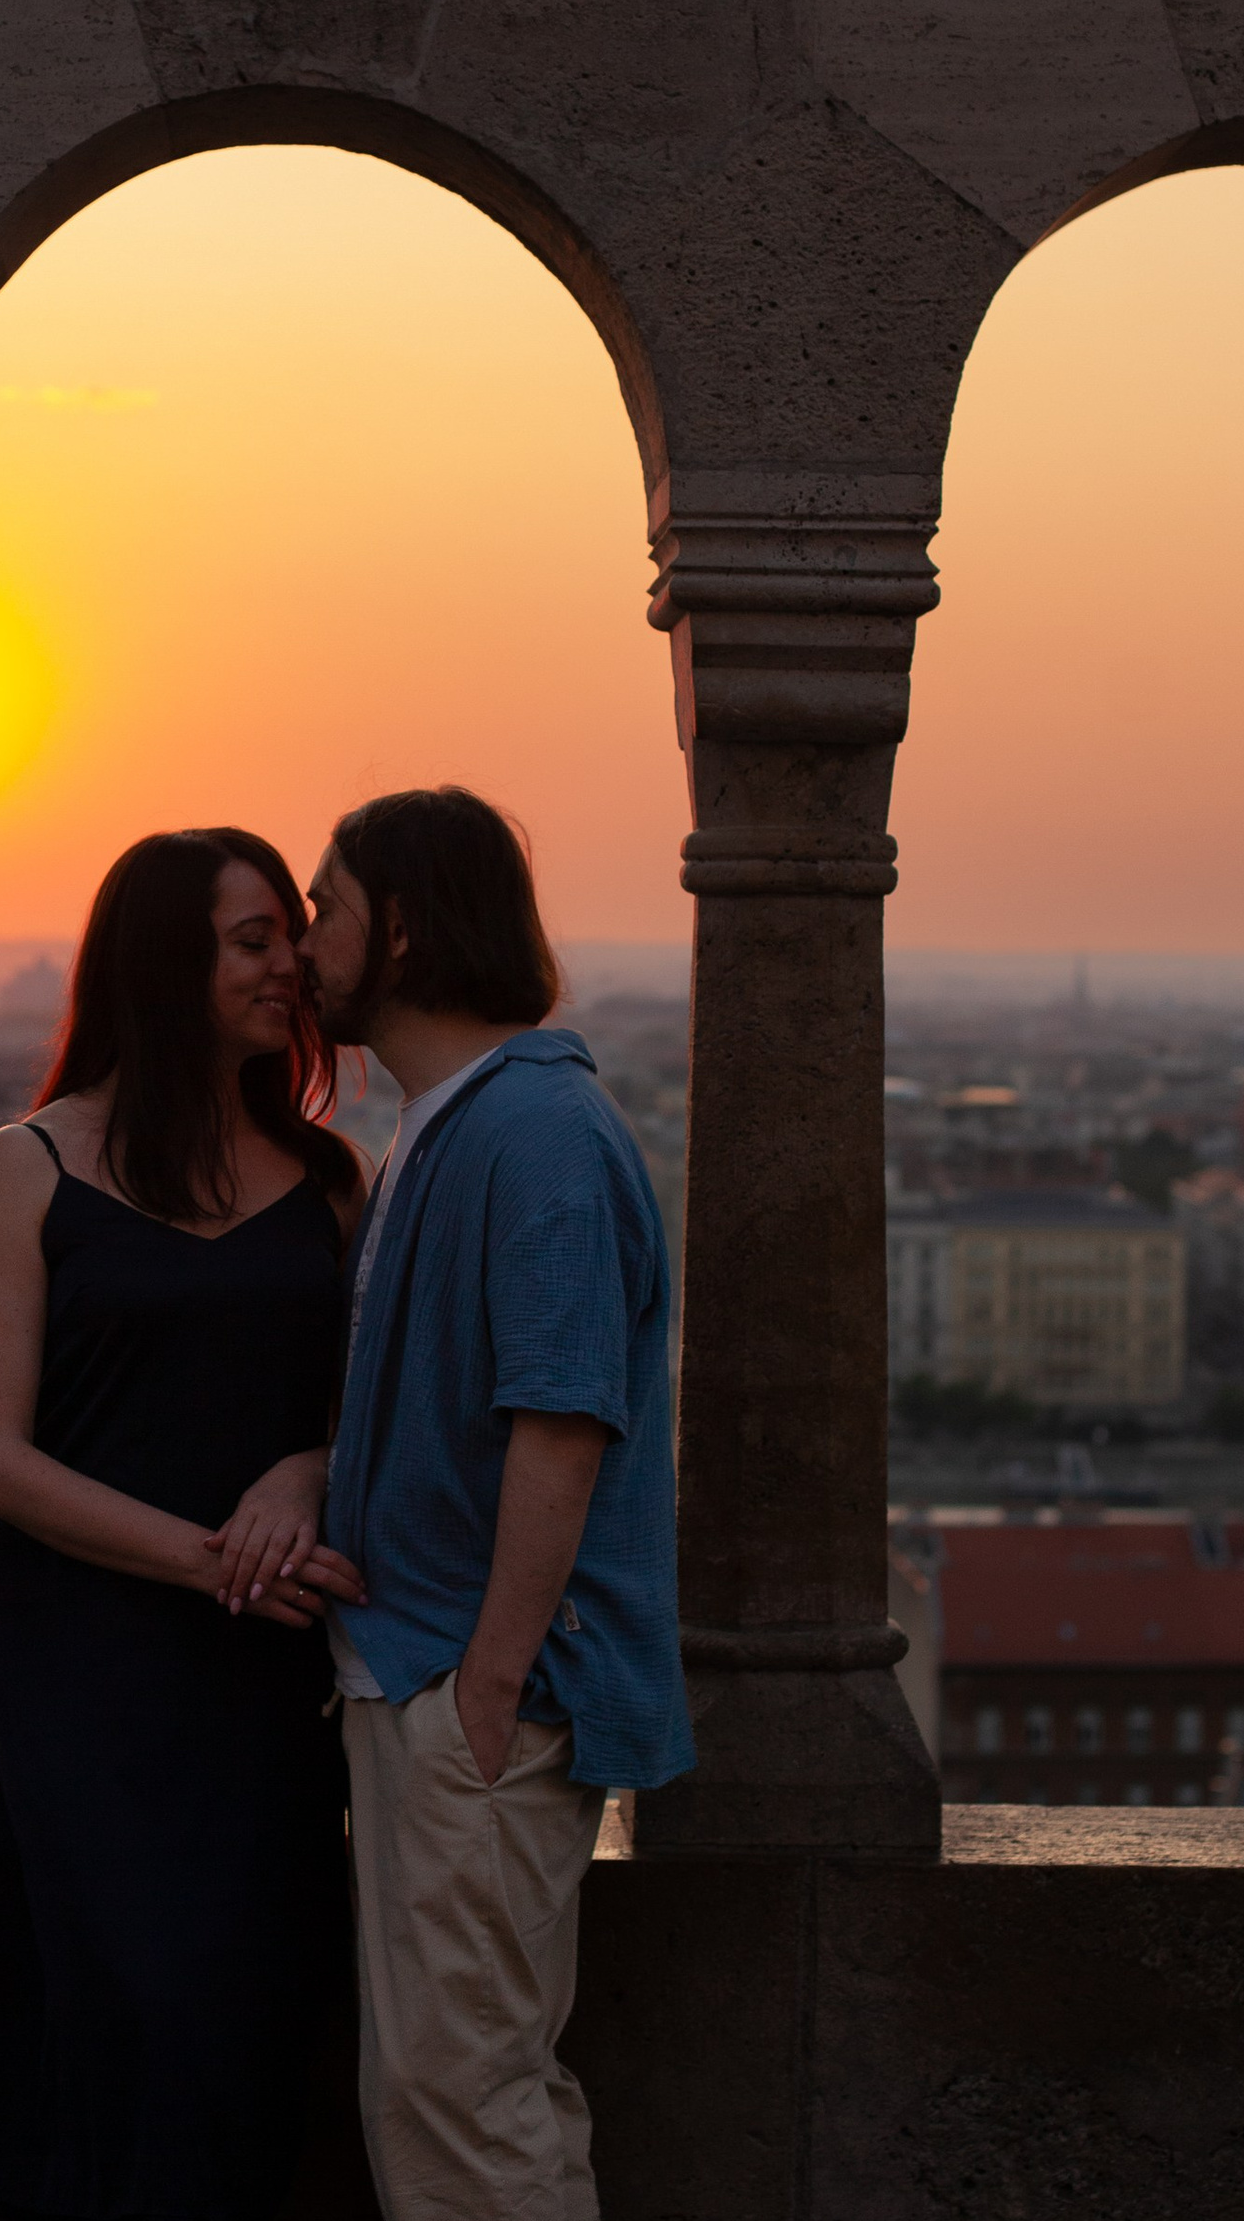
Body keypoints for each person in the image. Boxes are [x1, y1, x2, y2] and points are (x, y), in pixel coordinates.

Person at [0, 828, 371, 2221]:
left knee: (249, 2033)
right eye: (253, 942)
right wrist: (206, 1559)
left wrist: (306, 1469)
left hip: (272, 1686)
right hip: (95, 1675)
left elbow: (374, 1415)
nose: (290, 966)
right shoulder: (32, 1165)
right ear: (165, 964)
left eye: (291, 937)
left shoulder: (331, 1182)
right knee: (124, 2019)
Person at [301, 787, 692, 2221]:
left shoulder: (532, 1132)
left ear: (398, 929)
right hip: (441, 1676)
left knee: (464, 2103)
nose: (305, 941)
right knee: (445, 2094)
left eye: (325, 906)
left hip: (475, 1695)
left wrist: (490, 1681)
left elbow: (562, 1416)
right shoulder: (462, 1123)